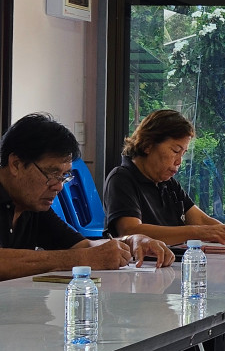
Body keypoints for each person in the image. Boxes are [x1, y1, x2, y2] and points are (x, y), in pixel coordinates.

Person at [0, 113, 173, 281]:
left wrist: (130, 242)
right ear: (16, 164)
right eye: (52, 173)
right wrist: (79, 259)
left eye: (64, 176)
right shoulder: (29, 200)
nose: (59, 186)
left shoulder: (32, 206)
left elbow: (83, 246)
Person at [103, 109, 225, 246]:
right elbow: (130, 231)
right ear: (147, 145)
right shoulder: (121, 178)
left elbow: (201, 220)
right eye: (175, 151)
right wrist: (196, 232)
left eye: (183, 153)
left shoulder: (168, 183)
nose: (179, 161)